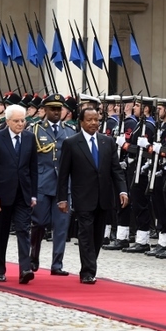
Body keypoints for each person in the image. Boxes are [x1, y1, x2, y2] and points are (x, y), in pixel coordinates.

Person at [57, 108, 128, 284]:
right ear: (81, 122)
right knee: (85, 234)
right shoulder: (71, 143)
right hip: (83, 197)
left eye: (96, 120)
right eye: (89, 120)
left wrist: (122, 190)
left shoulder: (107, 142)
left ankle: (91, 264)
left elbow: (115, 170)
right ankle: (87, 271)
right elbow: (63, 174)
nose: (93, 123)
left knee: (97, 236)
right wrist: (62, 199)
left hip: (103, 197)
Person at [0, 104, 38, 284]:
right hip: (2, 194)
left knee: (24, 230)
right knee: (1, 233)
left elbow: (33, 169)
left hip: (23, 194)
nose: (20, 124)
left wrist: (33, 194)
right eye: (16, 121)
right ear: (7, 121)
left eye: (23, 120)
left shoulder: (30, 138)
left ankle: (25, 268)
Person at [30, 94, 75, 276]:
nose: (56, 112)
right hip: (42, 183)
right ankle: (34, 255)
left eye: (59, 109)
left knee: (61, 226)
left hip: (63, 186)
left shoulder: (70, 131)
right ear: (45, 110)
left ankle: (57, 264)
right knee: (39, 222)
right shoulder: (35, 130)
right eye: (53, 109)